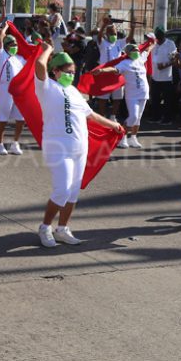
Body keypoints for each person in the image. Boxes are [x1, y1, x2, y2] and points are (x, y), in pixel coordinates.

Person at [33, 45, 122, 248]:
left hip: (79, 148)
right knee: (61, 190)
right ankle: (45, 227)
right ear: (55, 71)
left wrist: (113, 124)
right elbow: (39, 64)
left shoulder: (73, 91)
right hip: (58, 147)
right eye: (67, 72)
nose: (71, 76)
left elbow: (90, 115)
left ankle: (62, 228)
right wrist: (48, 49)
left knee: (72, 192)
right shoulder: (46, 87)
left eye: (73, 73)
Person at [95, 41, 152, 149]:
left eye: (137, 50)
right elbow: (114, 69)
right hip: (132, 95)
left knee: (138, 118)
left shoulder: (140, 59)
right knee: (133, 116)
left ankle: (133, 138)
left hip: (144, 93)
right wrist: (102, 70)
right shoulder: (125, 63)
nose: (137, 52)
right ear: (129, 53)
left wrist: (153, 41)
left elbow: (148, 50)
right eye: (134, 51)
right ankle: (122, 137)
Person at [0, 29, 26, 155]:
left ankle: (15, 144)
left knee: (21, 119)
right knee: (3, 119)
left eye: (16, 45)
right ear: (6, 46)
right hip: (5, 89)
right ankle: (0, 145)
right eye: (12, 45)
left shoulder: (19, 59)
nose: (15, 47)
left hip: (18, 90)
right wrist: (5, 27)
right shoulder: (0, 55)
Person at [147, 26, 177, 124]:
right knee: (155, 99)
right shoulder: (154, 44)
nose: (159, 39)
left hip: (166, 78)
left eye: (160, 36)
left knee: (167, 100)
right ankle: (155, 117)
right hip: (155, 77)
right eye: (157, 36)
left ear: (164, 35)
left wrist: (164, 65)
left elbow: (174, 60)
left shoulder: (170, 44)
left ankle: (167, 119)